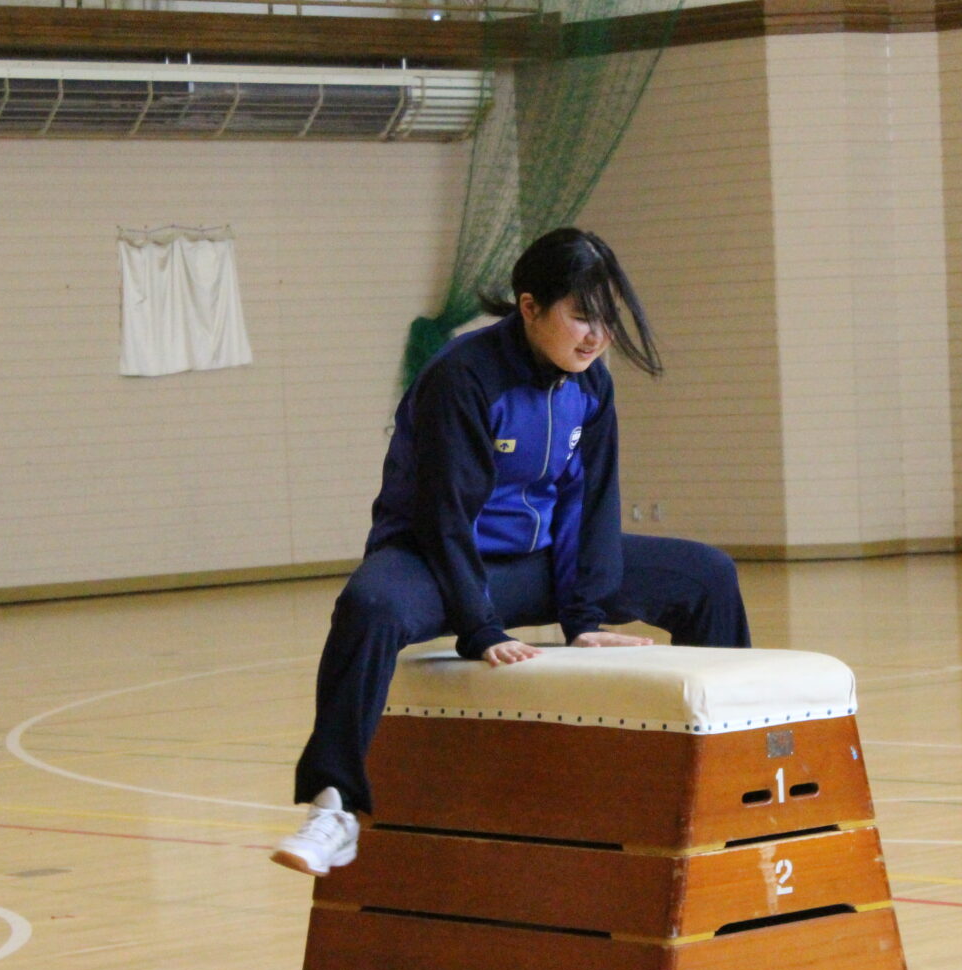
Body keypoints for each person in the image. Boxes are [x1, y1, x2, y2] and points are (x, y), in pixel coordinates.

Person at [271, 228, 751, 875]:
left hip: (538, 565)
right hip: (438, 566)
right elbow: (445, 516)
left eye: (607, 320)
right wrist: (479, 626)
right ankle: (334, 807)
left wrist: (584, 618)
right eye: (582, 316)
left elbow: (590, 502)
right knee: (370, 605)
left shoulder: (593, 385)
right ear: (529, 308)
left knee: (707, 576)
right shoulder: (462, 377)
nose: (596, 336)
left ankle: (735, 778)